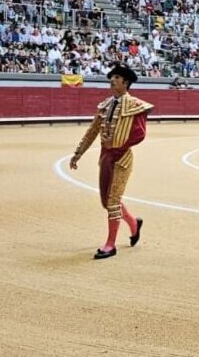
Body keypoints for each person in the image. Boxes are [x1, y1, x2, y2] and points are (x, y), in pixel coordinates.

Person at [69, 64, 152, 260]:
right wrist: (78, 153)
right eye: (112, 77)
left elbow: (140, 134)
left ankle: (110, 244)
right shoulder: (105, 105)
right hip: (106, 157)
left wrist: (120, 146)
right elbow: (92, 131)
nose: (112, 80)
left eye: (116, 77)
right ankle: (133, 224)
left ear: (126, 82)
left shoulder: (135, 105)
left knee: (113, 201)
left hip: (122, 158)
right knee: (106, 202)